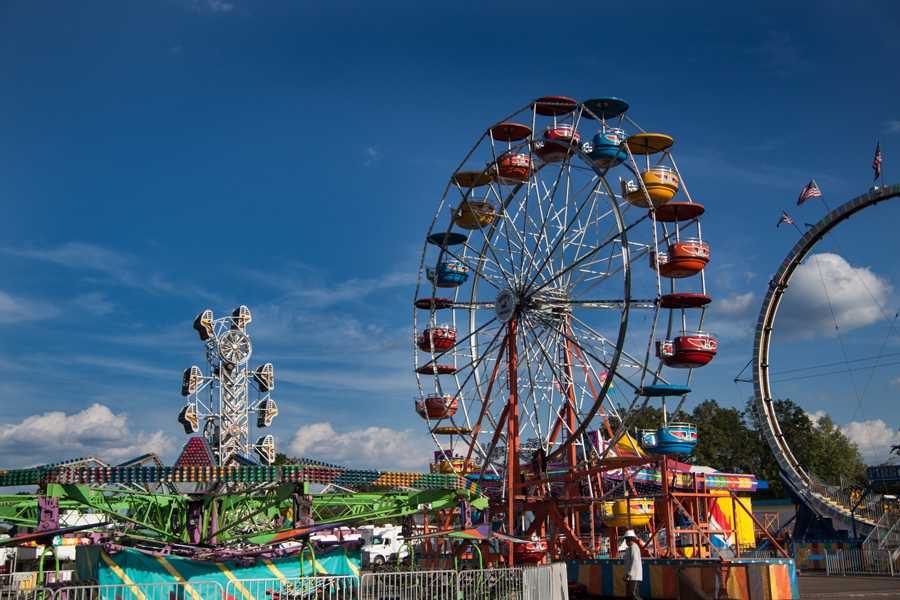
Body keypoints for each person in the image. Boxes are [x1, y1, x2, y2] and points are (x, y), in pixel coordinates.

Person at [622, 529, 643, 599]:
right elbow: (628, 563)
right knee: (630, 595)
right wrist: (626, 574)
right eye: (626, 540)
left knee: (634, 594)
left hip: (634, 576)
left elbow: (635, 561)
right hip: (630, 576)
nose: (626, 542)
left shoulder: (634, 548)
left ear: (632, 539)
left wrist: (629, 574)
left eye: (627, 540)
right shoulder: (629, 549)